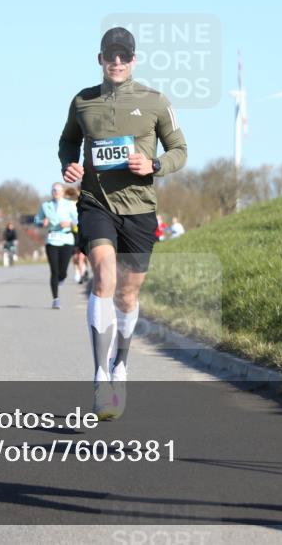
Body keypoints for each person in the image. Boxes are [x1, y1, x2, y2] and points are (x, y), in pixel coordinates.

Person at [59, 26, 187, 419]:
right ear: (100, 59)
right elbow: (66, 141)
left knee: (128, 295)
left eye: (123, 56)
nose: (116, 62)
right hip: (96, 203)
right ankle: (100, 376)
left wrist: (155, 165)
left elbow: (180, 149)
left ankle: (121, 363)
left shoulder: (154, 101)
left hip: (140, 208)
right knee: (103, 279)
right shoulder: (83, 102)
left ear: (133, 60)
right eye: (109, 55)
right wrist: (69, 164)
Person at [34, 183, 78, 309]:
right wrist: (42, 222)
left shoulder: (70, 204)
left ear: (63, 192)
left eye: (58, 190)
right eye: (54, 190)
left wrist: (69, 223)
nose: (56, 192)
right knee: (54, 270)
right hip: (52, 239)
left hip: (66, 238)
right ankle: (56, 299)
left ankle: (62, 277)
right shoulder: (45, 206)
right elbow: (36, 220)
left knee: (62, 271)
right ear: (51, 192)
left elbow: (78, 220)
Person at [64, 187, 91, 284]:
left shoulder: (85, 205)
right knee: (75, 257)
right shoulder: (69, 206)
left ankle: (83, 274)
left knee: (81, 256)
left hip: (83, 232)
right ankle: (79, 272)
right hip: (73, 233)